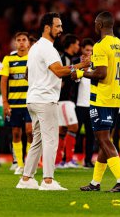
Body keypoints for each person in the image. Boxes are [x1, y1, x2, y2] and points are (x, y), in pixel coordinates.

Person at [16, 12, 89, 190]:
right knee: (51, 141)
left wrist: (40, 82)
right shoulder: (48, 48)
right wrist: (80, 65)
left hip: (33, 99)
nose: (61, 30)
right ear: (47, 27)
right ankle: (48, 181)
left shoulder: (34, 48)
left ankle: (26, 179)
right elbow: (58, 71)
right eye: (58, 26)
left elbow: (27, 74)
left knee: (38, 140)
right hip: (45, 100)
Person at [72, 11, 120, 192]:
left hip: (102, 97)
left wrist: (80, 73)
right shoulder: (119, 44)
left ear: (99, 24)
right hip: (115, 97)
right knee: (106, 140)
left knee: (103, 139)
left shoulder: (100, 45)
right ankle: (95, 183)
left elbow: (101, 73)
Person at [0, 32, 32, 175]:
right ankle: (19, 164)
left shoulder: (33, 58)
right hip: (14, 103)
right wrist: (5, 103)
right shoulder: (8, 59)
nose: (21, 42)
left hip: (30, 102)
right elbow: (3, 81)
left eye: (24, 40)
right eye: (18, 40)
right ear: (15, 43)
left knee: (30, 132)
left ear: (28, 42)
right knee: (16, 133)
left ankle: (30, 164)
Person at [56, 34, 81, 168]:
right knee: (73, 127)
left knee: (63, 129)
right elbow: (61, 76)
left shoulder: (70, 59)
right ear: (71, 45)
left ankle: (58, 160)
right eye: (77, 44)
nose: (78, 46)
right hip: (64, 99)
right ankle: (68, 160)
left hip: (67, 99)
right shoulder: (64, 59)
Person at [75, 38, 95, 168]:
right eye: (87, 50)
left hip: (92, 104)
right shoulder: (76, 64)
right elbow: (74, 80)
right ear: (82, 50)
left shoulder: (98, 65)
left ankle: (87, 160)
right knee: (74, 133)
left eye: (91, 51)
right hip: (79, 104)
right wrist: (82, 67)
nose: (89, 53)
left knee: (91, 135)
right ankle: (67, 158)